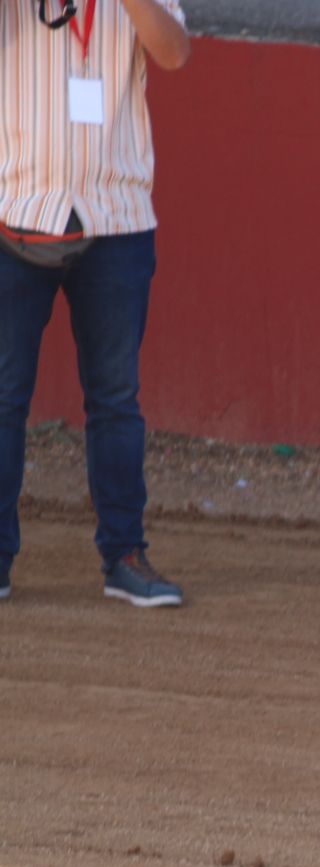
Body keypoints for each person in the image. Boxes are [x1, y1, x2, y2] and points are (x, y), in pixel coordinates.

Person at [0, 0, 192, 607]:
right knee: (3, 398)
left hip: (118, 218)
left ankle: (124, 555)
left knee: (115, 400)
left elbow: (174, 52)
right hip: (18, 212)